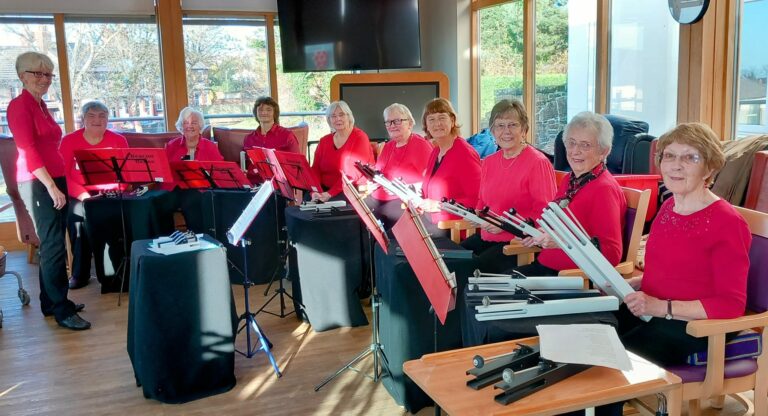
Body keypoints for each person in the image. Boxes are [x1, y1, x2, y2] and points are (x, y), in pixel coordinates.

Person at [7, 51, 90, 330]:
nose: (44, 79)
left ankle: (50, 303)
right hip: (38, 183)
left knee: (55, 242)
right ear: (22, 76)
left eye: (48, 74)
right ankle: (61, 309)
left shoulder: (40, 105)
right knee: (53, 246)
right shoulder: (20, 106)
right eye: (37, 73)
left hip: (54, 179)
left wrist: (58, 181)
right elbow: (27, 150)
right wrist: (52, 186)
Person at [516, 111, 627, 275]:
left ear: (604, 151)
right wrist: (537, 233)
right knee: (481, 287)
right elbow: (556, 226)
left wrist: (561, 241)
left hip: (572, 278)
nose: (575, 151)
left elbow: (612, 253)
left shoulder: (604, 189)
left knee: (483, 293)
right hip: (547, 269)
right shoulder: (571, 179)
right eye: (571, 143)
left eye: (585, 145)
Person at [461, 100, 556, 273]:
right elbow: (482, 203)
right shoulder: (489, 162)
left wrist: (505, 225)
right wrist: (478, 217)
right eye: (500, 125)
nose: (506, 131)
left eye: (513, 125)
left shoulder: (538, 162)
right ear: (492, 130)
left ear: (524, 129)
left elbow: (546, 214)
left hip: (518, 242)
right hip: (486, 236)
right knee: (451, 259)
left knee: (469, 270)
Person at [59, 101, 128, 290]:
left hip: (110, 193)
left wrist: (113, 190)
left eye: (102, 116)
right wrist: (83, 195)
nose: (97, 120)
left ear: (108, 119)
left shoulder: (118, 140)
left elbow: (126, 174)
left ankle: (114, 272)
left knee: (117, 215)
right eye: (91, 116)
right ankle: (80, 274)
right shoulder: (69, 141)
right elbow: (63, 175)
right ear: (83, 119)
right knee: (77, 218)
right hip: (79, 194)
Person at [418, 98, 481, 235]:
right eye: (431, 119)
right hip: (432, 220)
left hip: (454, 228)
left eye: (442, 118)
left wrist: (440, 206)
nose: (437, 124)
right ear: (426, 125)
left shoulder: (464, 153)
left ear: (452, 121)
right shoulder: (436, 151)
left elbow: (477, 199)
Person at [367, 103, 433, 229]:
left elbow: (430, 181)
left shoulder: (421, 146)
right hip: (378, 199)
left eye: (397, 121)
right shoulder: (388, 146)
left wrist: (404, 187)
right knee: (356, 215)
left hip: (401, 202)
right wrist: (373, 183)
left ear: (410, 123)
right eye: (388, 122)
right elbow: (378, 172)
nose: (392, 126)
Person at [310, 100, 374, 202]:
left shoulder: (360, 137)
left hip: (352, 188)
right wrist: (315, 191)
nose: (338, 119)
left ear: (349, 117)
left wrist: (330, 193)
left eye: (341, 115)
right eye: (333, 116)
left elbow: (354, 173)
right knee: (304, 206)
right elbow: (315, 169)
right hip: (325, 189)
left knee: (324, 211)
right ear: (329, 120)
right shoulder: (324, 141)